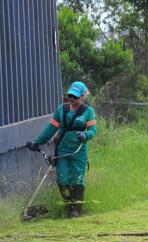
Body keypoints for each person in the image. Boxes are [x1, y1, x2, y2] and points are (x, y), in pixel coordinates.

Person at [27, 81, 97, 217]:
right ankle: (68, 206)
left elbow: (93, 131)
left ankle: (76, 210)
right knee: (62, 180)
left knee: (77, 180)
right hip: (62, 151)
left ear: (83, 96)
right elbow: (50, 129)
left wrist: (85, 134)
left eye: (75, 97)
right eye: (70, 95)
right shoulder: (61, 110)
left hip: (79, 151)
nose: (72, 99)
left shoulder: (88, 112)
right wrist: (37, 142)